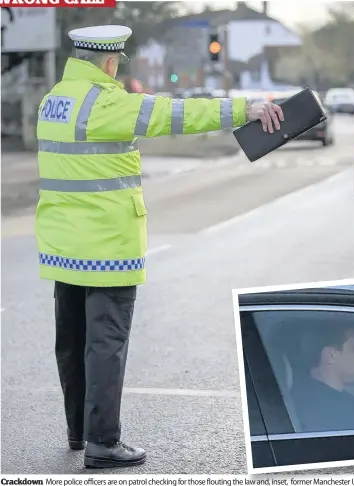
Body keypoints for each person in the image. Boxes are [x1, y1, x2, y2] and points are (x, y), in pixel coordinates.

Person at [35, 25, 284, 469]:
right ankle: (103, 443)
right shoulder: (106, 102)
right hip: (107, 248)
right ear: (110, 62)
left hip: (62, 243)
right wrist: (247, 108)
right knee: (106, 343)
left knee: (71, 342)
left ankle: (79, 431)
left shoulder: (54, 100)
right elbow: (179, 114)